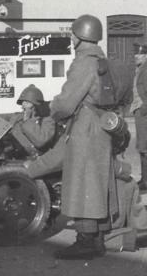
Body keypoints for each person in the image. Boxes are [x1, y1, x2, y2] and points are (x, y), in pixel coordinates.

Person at [49, 14, 118, 260]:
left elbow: (67, 103)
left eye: (73, 34)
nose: (71, 38)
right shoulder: (102, 60)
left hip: (85, 127)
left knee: (82, 182)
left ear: (80, 36)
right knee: (97, 182)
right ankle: (96, 237)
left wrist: (52, 109)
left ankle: (86, 240)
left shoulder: (83, 62)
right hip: (101, 126)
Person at [9, 84, 57, 153]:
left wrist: (27, 121)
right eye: (22, 102)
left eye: (26, 102)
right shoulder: (18, 118)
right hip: (19, 156)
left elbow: (41, 141)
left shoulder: (47, 119)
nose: (23, 105)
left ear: (35, 104)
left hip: (38, 158)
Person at [130, 38, 147, 192]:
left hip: (144, 114)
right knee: (142, 147)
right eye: (136, 55)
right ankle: (144, 179)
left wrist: (143, 110)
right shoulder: (140, 69)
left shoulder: (146, 70)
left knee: (145, 148)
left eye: (139, 55)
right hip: (139, 112)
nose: (136, 57)